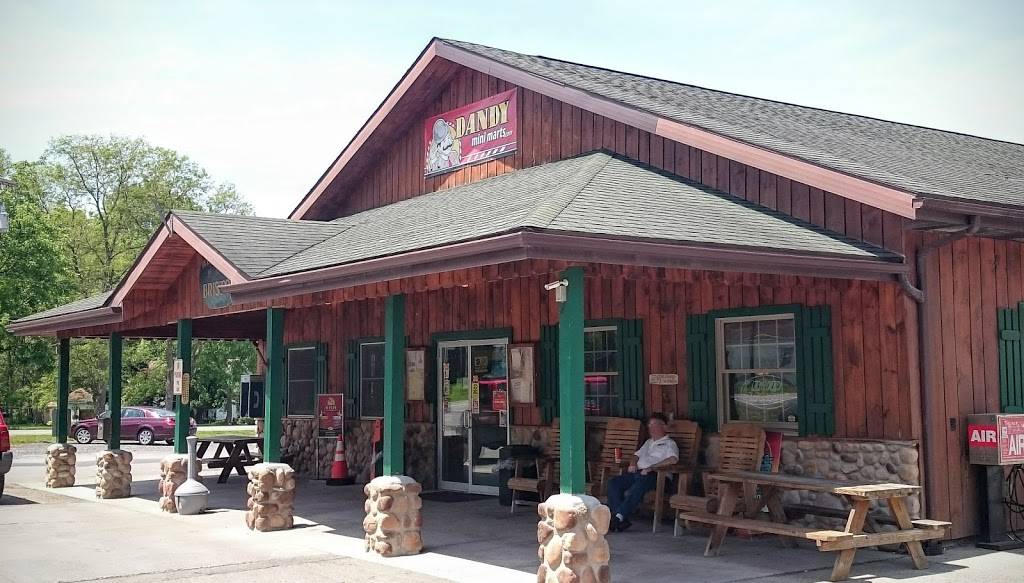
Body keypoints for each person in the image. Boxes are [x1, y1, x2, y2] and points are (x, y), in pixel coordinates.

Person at [607, 413, 678, 532]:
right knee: (614, 482)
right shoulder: (648, 442)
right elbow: (636, 455)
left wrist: (652, 467)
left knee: (637, 487)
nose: (651, 428)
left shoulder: (669, 443)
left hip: (657, 476)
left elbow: (673, 459)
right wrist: (633, 463)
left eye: (654, 425)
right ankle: (620, 519)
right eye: (649, 425)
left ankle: (618, 517)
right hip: (638, 473)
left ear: (664, 427)